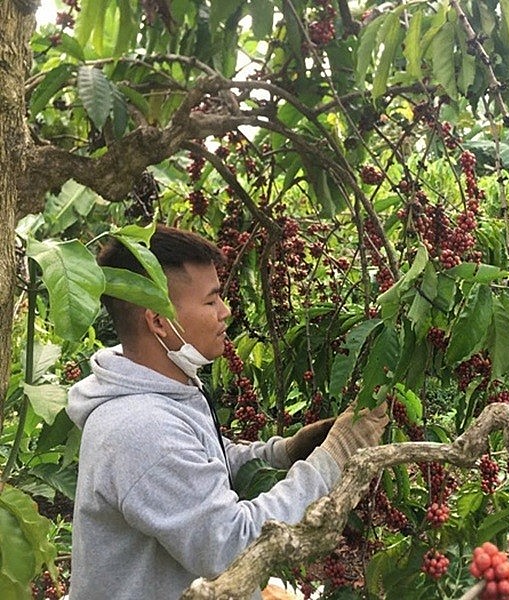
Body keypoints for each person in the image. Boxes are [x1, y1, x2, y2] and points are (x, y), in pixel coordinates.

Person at [66, 224, 388, 600]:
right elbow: (233, 547)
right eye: (211, 301)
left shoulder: (166, 389)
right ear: (158, 322)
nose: (226, 311)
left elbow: (205, 461)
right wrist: (335, 456)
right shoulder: (142, 429)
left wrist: (282, 452)